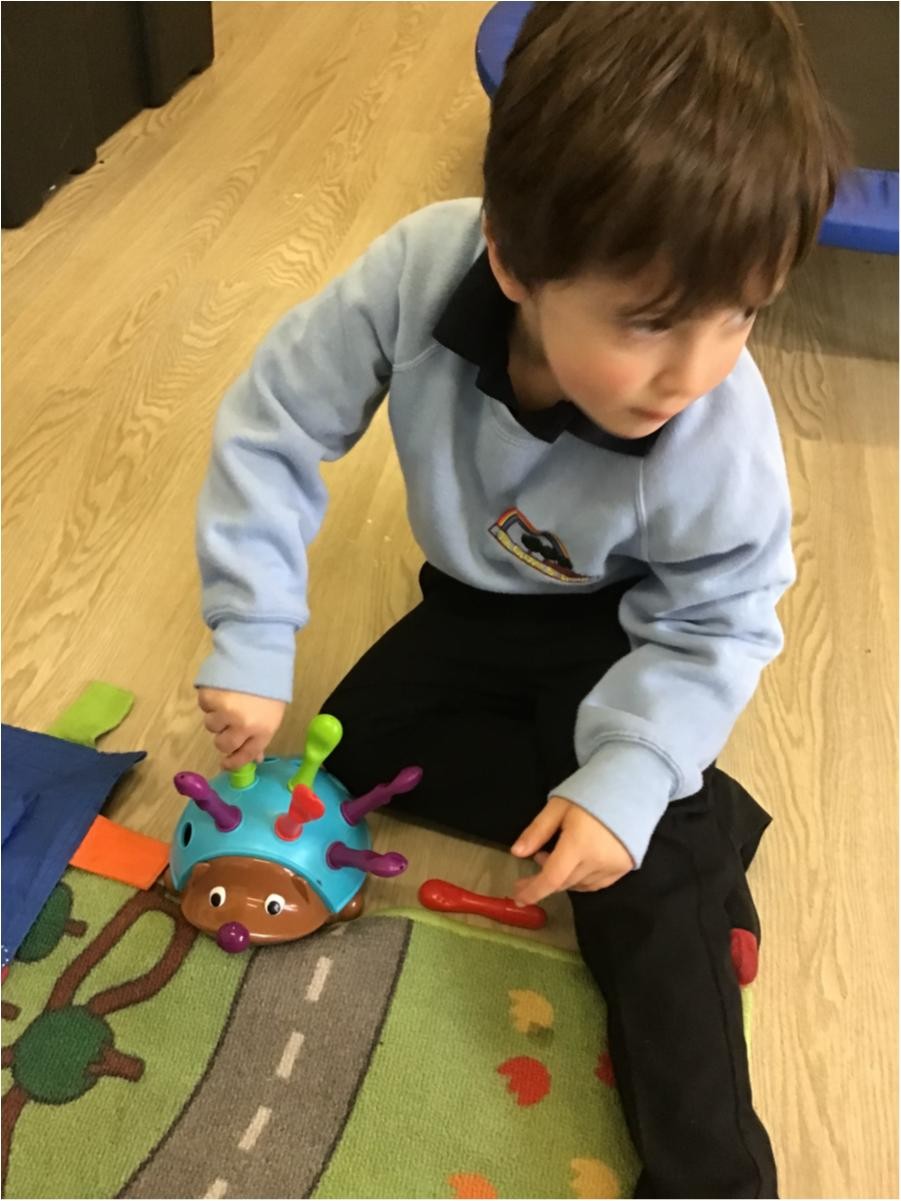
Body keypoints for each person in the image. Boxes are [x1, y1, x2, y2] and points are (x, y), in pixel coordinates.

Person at [192, 4, 851, 1195]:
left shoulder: (716, 429)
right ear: (511, 260)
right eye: (650, 322)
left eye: (742, 312)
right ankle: (687, 811)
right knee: (353, 761)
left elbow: (719, 616)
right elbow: (275, 420)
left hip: (631, 633)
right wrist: (252, 623)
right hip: (476, 598)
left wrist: (630, 773)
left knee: (632, 877)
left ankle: (711, 1166)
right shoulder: (420, 269)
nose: (698, 368)